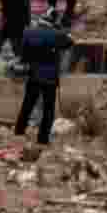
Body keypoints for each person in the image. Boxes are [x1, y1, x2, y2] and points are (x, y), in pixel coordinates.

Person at [14, 9, 74, 146]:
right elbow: (71, 42)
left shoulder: (29, 32)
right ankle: (42, 139)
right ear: (53, 21)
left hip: (33, 75)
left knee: (27, 105)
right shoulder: (56, 34)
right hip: (49, 79)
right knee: (48, 110)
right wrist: (59, 29)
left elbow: (24, 55)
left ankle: (19, 132)